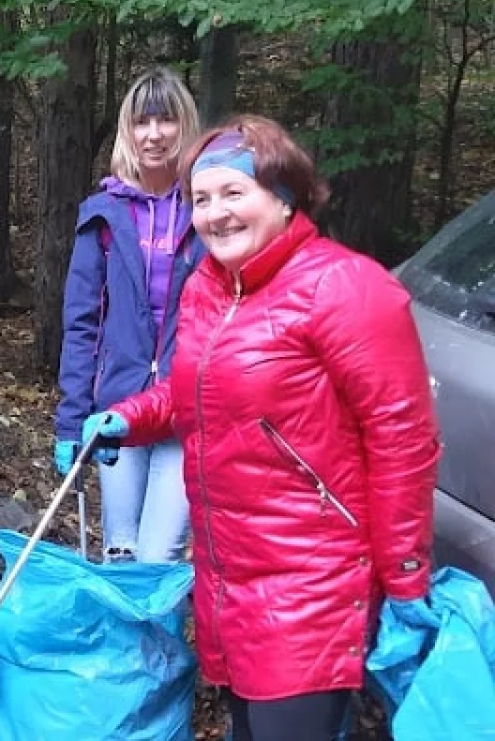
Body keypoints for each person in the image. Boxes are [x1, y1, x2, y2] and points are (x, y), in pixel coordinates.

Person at [82, 115, 439, 741]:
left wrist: (406, 580)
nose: (216, 214)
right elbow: (198, 391)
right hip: (230, 582)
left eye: (233, 193)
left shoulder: (346, 288)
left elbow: (402, 443)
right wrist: (130, 417)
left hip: (313, 588)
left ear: (284, 197)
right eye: (200, 199)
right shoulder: (209, 290)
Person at [54, 66, 203, 563]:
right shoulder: (104, 214)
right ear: (128, 131)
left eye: (167, 121)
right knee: (119, 552)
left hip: (187, 408)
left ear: (186, 128)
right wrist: (72, 423)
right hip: (117, 404)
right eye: (143, 122)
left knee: (158, 558)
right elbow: (82, 324)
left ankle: (155, 643)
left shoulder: (210, 210)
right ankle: (122, 645)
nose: (155, 134)